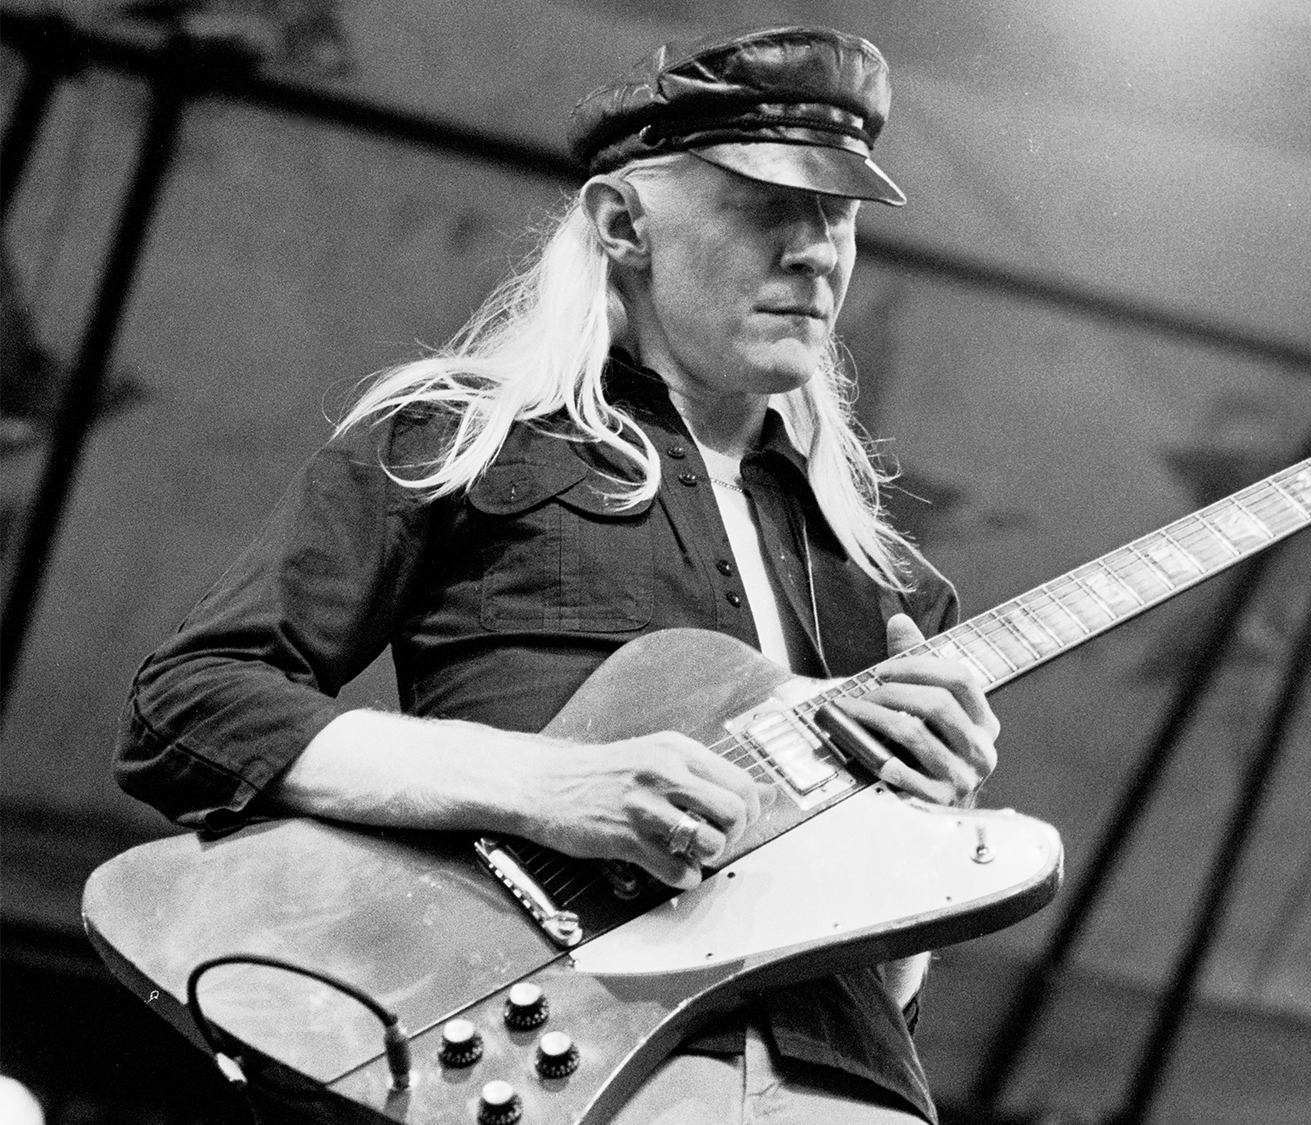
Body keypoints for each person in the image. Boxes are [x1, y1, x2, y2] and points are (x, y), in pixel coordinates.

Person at [114, 25, 996, 1125]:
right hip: (559, 1060)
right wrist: (546, 787)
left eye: (838, 215)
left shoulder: (889, 585)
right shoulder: (464, 439)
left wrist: (931, 826)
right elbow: (190, 708)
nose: (818, 253)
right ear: (623, 223)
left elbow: (895, 962)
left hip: (844, 1084)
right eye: (771, 207)